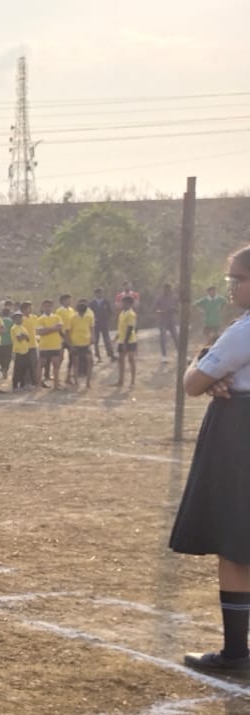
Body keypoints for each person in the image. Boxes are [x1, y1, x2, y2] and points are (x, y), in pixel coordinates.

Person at [170, 245, 250, 673]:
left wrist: (200, 362)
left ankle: (237, 652)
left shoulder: (243, 330)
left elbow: (193, 384)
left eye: (237, 279)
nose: (232, 287)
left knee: (236, 547)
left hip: (240, 435)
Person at [65, 299, 95, 389]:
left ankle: (88, 382)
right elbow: (68, 331)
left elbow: (92, 327)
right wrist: (70, 344)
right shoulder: (73, 318)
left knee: (90, 361)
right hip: (76, 343)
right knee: (75, 363)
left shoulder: (89, 317)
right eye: (80, 311)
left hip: (86, 343)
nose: (81, 313)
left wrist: (92, 337)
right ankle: (77, 382)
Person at [34, 298, 64, 388]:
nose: (48, 308)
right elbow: (39, 332)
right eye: (46, 306)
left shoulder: (57, 317)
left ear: (52, 307)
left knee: (56, 365)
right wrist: (53, 328)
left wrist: (47, 329)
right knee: (40, 365)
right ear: (42, 307)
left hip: (55, 345)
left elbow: (59, 328)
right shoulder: (39, 319)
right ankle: (38, 384)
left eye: (49, 306)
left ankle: (56, 384)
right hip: (44, 346)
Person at [115, 295, 139, 389]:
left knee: (131, 359)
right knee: (121, 360)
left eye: (123, 302)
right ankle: (121, 380)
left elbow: (130, 328)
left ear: (129, 303)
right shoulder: (122, 313)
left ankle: (132, 381)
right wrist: (117, 337)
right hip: (121, 339)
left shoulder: (131, 314)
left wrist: (125, 342)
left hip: (130, 340)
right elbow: (121, 327)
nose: (122, 304)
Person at [9, 311, 34, 390]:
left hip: (25, 350)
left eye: (20, 317)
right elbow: (19, 338)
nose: (19, 319)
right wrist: (24, 336)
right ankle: (15, 385)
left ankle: (22, 384)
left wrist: (24, 336)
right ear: (14, 319)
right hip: (17, 351)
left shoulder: (23, 328)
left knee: (25, 368)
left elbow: (28, 338)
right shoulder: (14, 327)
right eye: (17, 318)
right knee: (17, 369)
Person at [154, 282, 180, 359]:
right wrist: (163, 311)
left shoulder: (174, 298)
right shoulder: (159, 298)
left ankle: (180, 353)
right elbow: (155, 310)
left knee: (176, 337)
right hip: (162, 321)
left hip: (172, 320)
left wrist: (174, 309)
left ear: (171, 289)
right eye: (165, 289)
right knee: (163, 338)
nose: (167, 290)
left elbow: (178, 310)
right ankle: (164, 355)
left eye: (169, 289)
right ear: (163, 289)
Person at [89, 288, 115, 362]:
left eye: (100, 293)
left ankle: (111, 354)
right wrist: (93, 320)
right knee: (96, 341)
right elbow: (89, 313)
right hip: (95, 324)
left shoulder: (106, 302)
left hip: (104, 323)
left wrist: (108, 319)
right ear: (95, 294)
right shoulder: (92, 303)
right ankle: (98, 357)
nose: (99, 294)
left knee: (107, 339)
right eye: (97, 293)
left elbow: (110, 312)